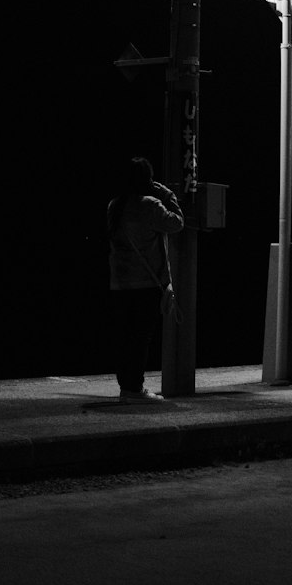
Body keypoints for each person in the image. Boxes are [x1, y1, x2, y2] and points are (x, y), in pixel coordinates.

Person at [107, 157, 184, 404]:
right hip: (146, 283)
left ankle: (125, 386)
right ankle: (134, 388)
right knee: (141, 337)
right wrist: (167, 193)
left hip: (119, 283)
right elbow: (177, 222)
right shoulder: (150, 205)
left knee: (123, 336)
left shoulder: (114, 206)